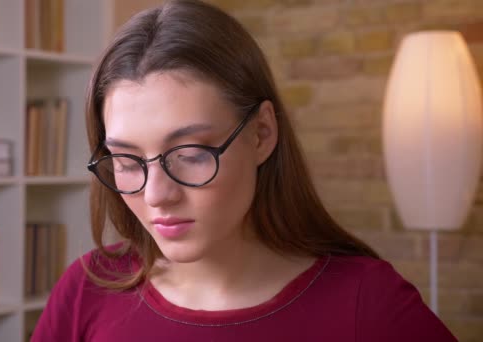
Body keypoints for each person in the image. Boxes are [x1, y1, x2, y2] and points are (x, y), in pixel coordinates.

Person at [32, 1, 457, 341]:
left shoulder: (369, 302)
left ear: (262, 133)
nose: (157, 194)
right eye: (127, 161)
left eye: (191, 153)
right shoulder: (89, 288)